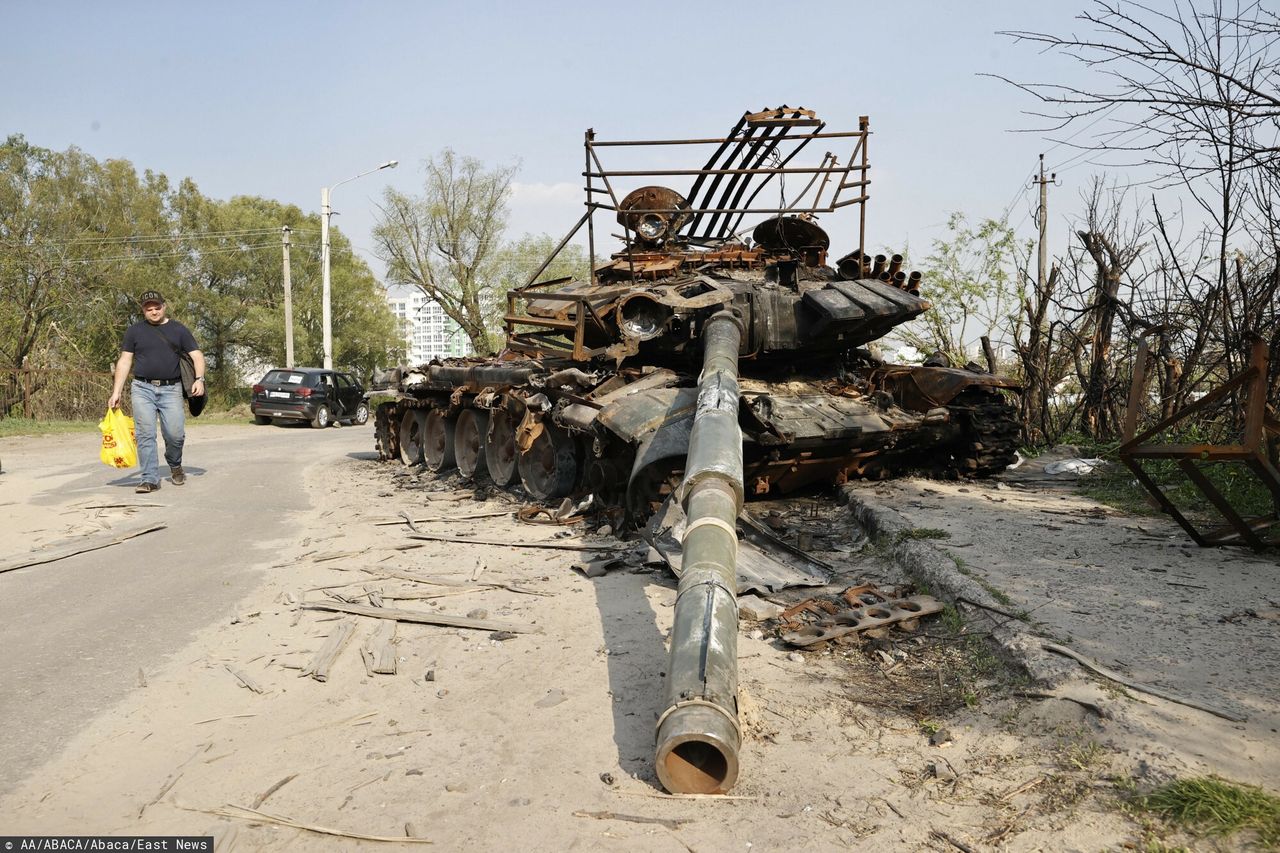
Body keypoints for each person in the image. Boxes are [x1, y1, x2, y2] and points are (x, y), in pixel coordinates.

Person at [107, 291, 206, 493]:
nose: (153, 312)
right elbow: (125, 361)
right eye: (148, 309)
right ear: (143, 310)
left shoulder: (179, 330)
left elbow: (197, 355)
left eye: (157, 307)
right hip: (142, 388)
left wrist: (199, 379)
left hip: (172, 389)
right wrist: (116, 391)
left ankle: (175, 464)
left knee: (175, 435)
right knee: (145, 435)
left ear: (164, 306)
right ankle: (149, 478)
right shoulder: (135, 331)